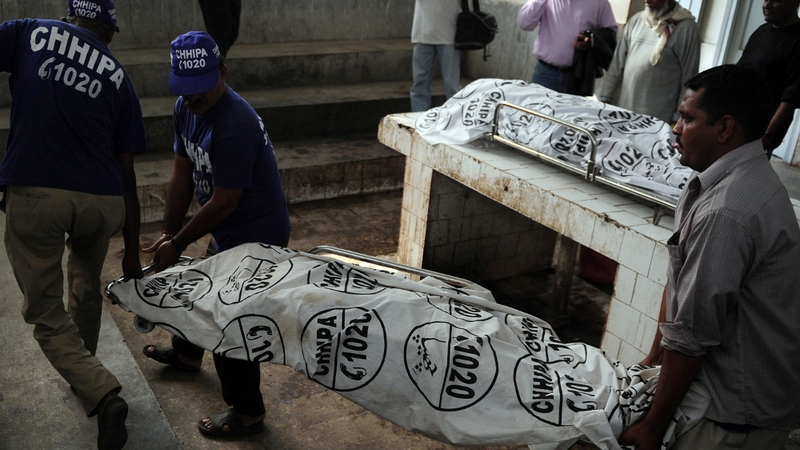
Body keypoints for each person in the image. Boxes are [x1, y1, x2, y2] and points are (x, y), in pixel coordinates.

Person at [619, 64, 800, 450]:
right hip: (737, 400)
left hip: (735, 418)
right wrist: (654, 357)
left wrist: (652, 428)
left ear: (724, 129)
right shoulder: (720, 179)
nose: (675, 128)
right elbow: (680, 278)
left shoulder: (727, 210)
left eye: (687, 118)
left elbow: (691, 333)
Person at [0, 0, 145, 448]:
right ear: (110, 32)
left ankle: (99, 389)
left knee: (44, 308)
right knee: (84, 284)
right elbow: (128, 176)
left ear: (69, 18)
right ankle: (86, 375)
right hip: (102, 202)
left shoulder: (29, 32)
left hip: (37, 194)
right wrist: (133, 253)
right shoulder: (120, 79)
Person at [141, 31, 291, 437]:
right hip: (226, 227)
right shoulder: (185, 108)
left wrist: (178, 243)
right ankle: (188, 354)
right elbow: (181, 173)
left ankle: (248, 412)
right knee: (195, 289)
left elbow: (224, 201)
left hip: (258, 234)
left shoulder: (235, 124)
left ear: (223, 73)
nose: (193, 97)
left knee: (231, 322)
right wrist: (169, 232)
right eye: (185, 88)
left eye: (201, 87)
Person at [598, 0, 700, 124]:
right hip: (624, 112)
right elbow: (617, 64)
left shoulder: (687, 29)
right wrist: (605, 97)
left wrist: (678, 117)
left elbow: (689, 79)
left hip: (657, 120)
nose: (647, 1)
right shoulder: (637, 20)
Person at [738, 0, 800, 157]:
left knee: (748, 172)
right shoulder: (762, 31)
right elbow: (739, 72)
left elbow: (791, 97)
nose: (767, 5)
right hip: (738, 124)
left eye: (776, 0)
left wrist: (767, 135)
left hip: (760, 133)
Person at [517, 0, 618, 94]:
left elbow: (610, 33)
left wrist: (591, 40)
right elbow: (525, 24)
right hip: (546, 74)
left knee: (573, 108)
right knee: (538, 107)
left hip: (578, 77)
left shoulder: (599, 2)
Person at [410, 0, 462, 112]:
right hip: (422, 33)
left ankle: (454, 117)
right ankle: (419, 118)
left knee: (452, 86)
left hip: (450, 33)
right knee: (419, 84)